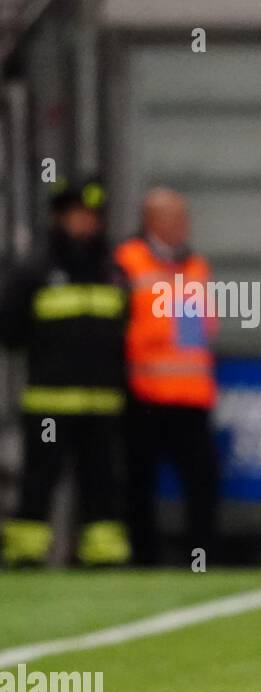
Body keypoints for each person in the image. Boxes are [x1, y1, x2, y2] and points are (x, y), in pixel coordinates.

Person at [0, 175, 131, 567]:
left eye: (91, 216)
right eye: (77, 216)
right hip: (50, 402)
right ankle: (25, 551)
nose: (85, 224)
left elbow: (128, 325)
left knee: (102, 480)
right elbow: (10, 327)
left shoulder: (113, 270)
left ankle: (103, 552)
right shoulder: (36, 269)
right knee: (39, 479)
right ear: (60, 218)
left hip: (102, 401)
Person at [116, 187, 220, 565]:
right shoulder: (127, 263)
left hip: (192, 396)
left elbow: (201, 331)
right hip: (145, 393)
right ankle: (143, 559)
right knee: (138, 483)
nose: (183, 225)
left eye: (184, 217)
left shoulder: (195, 265)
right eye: (175, 218)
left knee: (204, 481)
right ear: (152, 222)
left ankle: (202, 557)